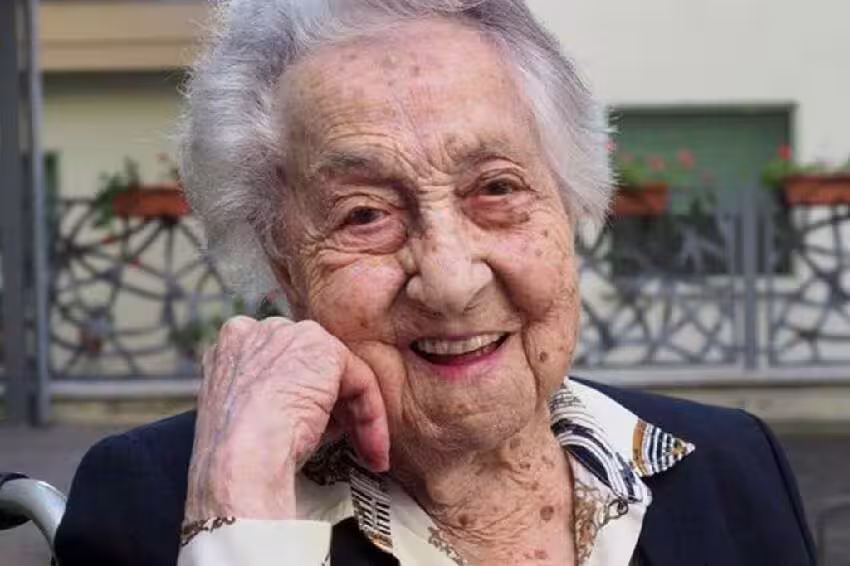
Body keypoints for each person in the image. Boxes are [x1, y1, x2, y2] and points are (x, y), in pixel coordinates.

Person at [55, 1, 815, 565]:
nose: (450, 281)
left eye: (496, 188)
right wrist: (242, 527)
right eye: (364, 215)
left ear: (572, 200)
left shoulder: (728, 462)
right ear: (283, 261)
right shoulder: (156, 502)